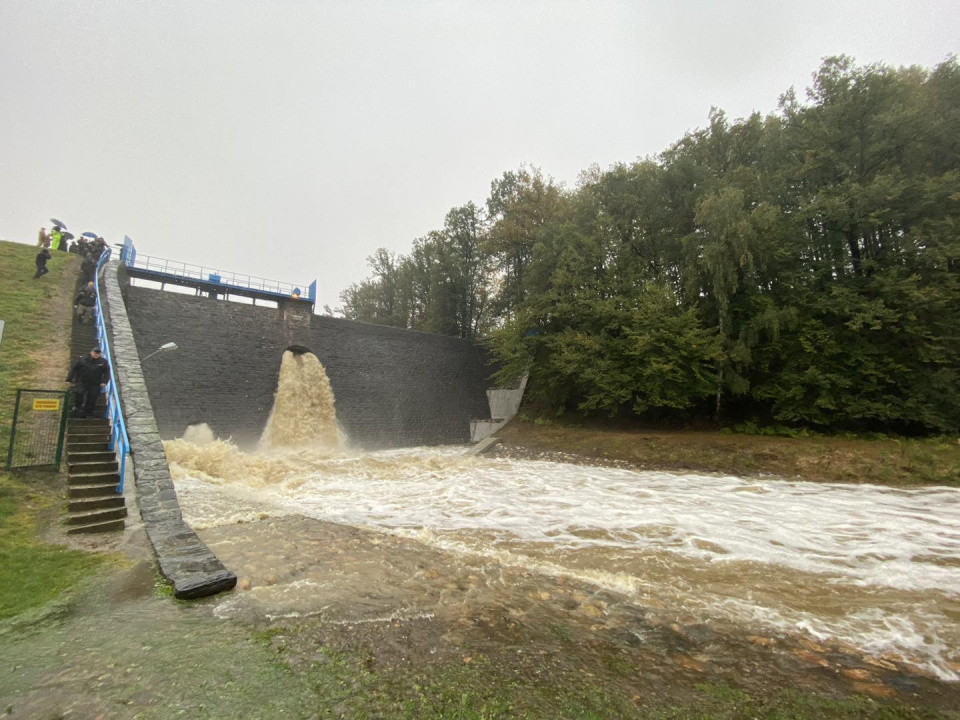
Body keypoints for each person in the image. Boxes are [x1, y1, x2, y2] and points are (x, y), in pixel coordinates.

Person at [66, 347, 109, 418]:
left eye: (98, 353)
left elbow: (107, 372)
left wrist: (104, 381)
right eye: (95, 353)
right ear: (91, 352)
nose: (96, 355)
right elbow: (74, 368)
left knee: (92, 398)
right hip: (82, 381)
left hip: (95, 383)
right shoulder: (83, 359)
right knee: (79, 394)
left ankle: (88, 413)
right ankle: (76, 407)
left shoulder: (103, 362)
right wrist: (69, 379)